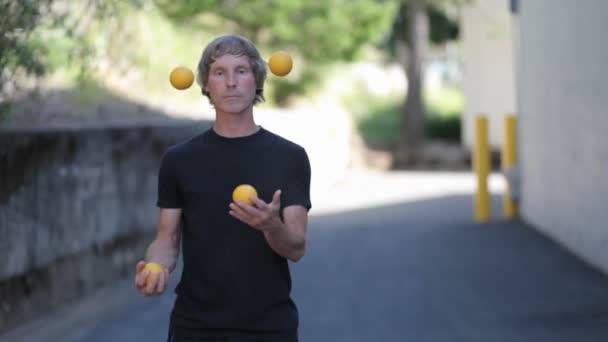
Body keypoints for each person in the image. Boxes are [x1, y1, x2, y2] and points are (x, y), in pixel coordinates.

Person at [134, 34, 312, 342]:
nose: (231, 82)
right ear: (206, 84)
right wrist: (155, 267)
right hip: (194, 327)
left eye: (241, 71)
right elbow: (167, 239)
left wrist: (271, 226)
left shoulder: (290, 157)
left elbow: (295, 248)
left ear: (257, 80)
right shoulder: (179, 160)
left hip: (268, 328)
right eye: (219, 72)